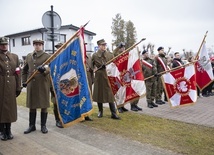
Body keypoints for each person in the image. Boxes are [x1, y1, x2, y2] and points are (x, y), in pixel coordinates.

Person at [22, 39, 51, 134]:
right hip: (32, 84)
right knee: (32, 105)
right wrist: (24, 81)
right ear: (33, 45)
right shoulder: (29, 56)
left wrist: (44, 70)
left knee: (44, 105)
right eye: (36, 44)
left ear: (42, 45)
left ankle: (43, 126)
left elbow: (50, 68)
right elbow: (24, 70)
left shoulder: (47, 56)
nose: (37, 46)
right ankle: (32, 125)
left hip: (42, 83)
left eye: (39, 44)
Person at [92, 39, 120, 119]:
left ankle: (113, 113)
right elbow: (91, 66)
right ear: (99, 46)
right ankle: (100, 111)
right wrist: (94, 70)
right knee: (99, 95)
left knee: (110, 95)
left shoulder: (110, 54)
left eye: (105, 45)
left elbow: (115, 63)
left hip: (108, 76)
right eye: (102, 45)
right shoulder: (94, 55)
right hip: (99, 77)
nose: (104, 46)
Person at [0, 37, 21, 141]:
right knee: (1, 108)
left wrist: (18, 86)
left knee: (10, 109)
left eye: (5, 44)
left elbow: (17, 72)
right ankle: (2, 131)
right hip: (0, 84)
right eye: (2, 44)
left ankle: (9, 130)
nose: (4, 46)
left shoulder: (15, 57)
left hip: (11, 84)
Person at [112, 42, 129, 113]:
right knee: (119, 92)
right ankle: (118, 106)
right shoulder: (116, 55)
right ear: (119, 48)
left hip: (124, 75)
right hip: (118, 75)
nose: (123, 48)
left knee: (123, 92)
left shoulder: (125, 54)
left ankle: (122, 105)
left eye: (124, 47)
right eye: (121, 47)